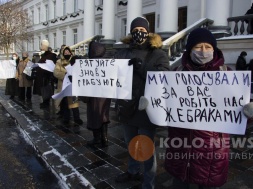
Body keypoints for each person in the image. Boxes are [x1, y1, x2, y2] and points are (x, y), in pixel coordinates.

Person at [164, 28, 233, 189]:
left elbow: (237, 115)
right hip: (181, 146)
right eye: (198, 47)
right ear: (189, 49)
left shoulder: (227, 75)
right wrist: (152, 104)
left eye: (208, 47)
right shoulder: (177, 73)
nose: (203, 51)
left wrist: (248, 111)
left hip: (211, 151)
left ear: (214, 49)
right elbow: (165, 106)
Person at [114, 17, 170, 189]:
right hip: (127, 107)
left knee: (146, 148)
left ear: (148, 32)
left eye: (142, 30)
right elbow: (110, 75)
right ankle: (132, 171)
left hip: (147, 109)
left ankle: (148, 182)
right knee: (131, 144)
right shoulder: (122, 53)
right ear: (131, 32)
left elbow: (163, 79)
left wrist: (141, 68)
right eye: (135, 29)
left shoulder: (159, 53)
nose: (139, 33)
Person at [85, 41, 111, 147]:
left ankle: (97, 139)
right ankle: (104, 138)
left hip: (93, 96)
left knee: (94, 116)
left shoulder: (88, 64)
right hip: (105, 95)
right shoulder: (108, 62)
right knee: (104, 115)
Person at [53, 46, 83, 125]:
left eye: (68, 52)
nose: (67, 53)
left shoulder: (73, 61)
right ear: (63, 53)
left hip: (72, 84)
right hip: (63, 85)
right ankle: (66, 118)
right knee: (65, 103)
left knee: (74, 101)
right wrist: (65, 75)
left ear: (70, 53)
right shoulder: (59, 61)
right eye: (65, 52)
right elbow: (55, 72)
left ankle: (77, 118)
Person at [33, 39, 57, 108]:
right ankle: (45, 102)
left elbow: (51, 65)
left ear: (44, 45)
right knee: (43, 90)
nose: (40, 46)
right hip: (42, 76)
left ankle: (46, 102)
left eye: (41, 44)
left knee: (47, 90)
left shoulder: (52, 55)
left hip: (47, 76)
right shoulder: (43, 55)